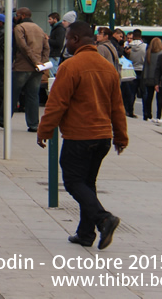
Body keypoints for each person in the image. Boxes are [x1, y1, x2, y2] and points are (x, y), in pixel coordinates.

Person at [37, 21, 127, 250]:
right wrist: (120, 136)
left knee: (73, 181)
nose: (66, 43)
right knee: (88, 183)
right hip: (103, 137)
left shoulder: (71, 66)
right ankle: (85, 234)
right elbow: (117, 106)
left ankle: (104, 219)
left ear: (76, 39)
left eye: (68, 39)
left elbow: (57, 103)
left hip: (79, 136)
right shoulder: (108, 68)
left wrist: (45, 130)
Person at [0, 7, 49, 132]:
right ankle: (33, 124)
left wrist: (34, 61)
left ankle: (3, 119)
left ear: (22, 16)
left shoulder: (19, 28)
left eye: (16, 15)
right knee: (33, 96)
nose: (15, 17)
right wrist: (42, 63)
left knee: (12, 93)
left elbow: (23, 46)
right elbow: (46, 47)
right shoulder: (39, 28)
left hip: (22, 66)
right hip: (37, 68)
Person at [122, 29, 146, 118]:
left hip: (130, 70)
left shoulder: (128, 46)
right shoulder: (144, 46)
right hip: (141, 70)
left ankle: (129, 110)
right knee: (144, 93)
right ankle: (146, 114)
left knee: (131, 92)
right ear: (140, 36)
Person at [141, 37, 162, 122]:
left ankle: (148, 114)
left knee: (149, 98)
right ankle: (158, 116)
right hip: (158, 79)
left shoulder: (148, 53)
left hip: (148, 78)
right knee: (159, 98)